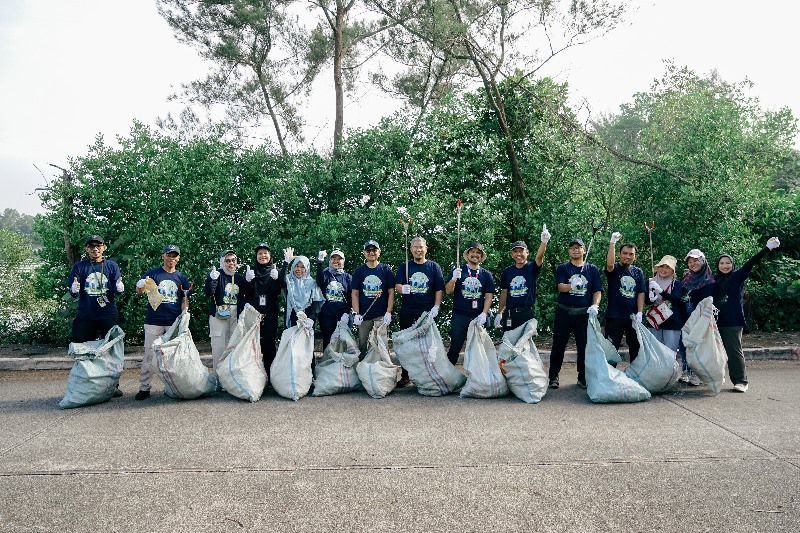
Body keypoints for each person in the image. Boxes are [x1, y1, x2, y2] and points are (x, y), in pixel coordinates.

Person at [713, 237, 781, 393]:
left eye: (728, 263)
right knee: (716, 352)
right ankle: (717, 377)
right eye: (722, 263)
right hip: (716, 321)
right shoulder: (715, 280)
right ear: (717, 265)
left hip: (733, 321)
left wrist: (767, 248)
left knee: (733, 351)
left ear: (733, 264)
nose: (725, 265)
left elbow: (751, 262)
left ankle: (740, 381)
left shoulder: (737, 276)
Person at [68, 234, 125, 397]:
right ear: (87, 249)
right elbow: (73, 291)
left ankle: (113, 386)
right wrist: (73, 289)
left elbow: (117, 288)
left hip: (108, 314)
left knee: (112, 352)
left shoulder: (112, 266)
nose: (95, 249)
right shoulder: (80, 267)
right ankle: (86, 385)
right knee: (85, 352)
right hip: (86, 315)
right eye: (91, 246)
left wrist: (120, 289)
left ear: (104, 247)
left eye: (98, 246)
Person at [133, 244, 191, 401]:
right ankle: (144, 388)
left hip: (173, 322)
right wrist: (139, 286)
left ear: (178, 258)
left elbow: (184, 298)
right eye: (168, 255)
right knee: (149, 355)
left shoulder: (181, 278)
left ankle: (175, 388)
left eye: (174, 255)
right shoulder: (153, 274)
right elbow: (140, 291)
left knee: (174, 357)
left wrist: (184, 313)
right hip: (154, 321)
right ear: (163, 256)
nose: (171, 258)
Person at [548, 237, 603, 389]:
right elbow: (560, 287)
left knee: (584, 346)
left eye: (578, 247)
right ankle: (553, 376)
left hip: (583, 313)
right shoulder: (563, 268)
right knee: (558, 345)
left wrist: (595, 305)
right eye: (572, 248)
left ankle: (583, 377)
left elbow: (597, 290)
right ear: (569, 251)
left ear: (584, 250)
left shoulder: (592, 269)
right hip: (564, 311)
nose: (575, 250)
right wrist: (571, 285)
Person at [395, 236, 445, 386]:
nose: (418, 250)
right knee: (406, 343)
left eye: (421, 247)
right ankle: (406, 376)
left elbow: (439, 288)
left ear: (426, 249)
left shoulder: (433, 267)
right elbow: (397, 285)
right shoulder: (404, 266)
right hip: (408, 311)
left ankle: (427, 376)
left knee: (428, 345)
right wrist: (402, 289)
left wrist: (436, 306)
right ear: (411, 249)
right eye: (415, 247)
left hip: (426, 313)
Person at [445, 242, 495, 365]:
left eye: (478, 253)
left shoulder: (486, 275)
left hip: (478, 316)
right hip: (460, 316)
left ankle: (477, 375)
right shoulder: (458, 271)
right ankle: (447, 374)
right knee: (455, 347)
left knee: (478, 349)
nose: (475, 255)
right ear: (467, 255)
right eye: (472, 252)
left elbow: (489, 296)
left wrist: (484, 313)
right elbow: (448, 291)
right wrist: (453, 279)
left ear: (481, 256)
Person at [494, 225, 550, 332]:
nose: (518, 254)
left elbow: (539, 257)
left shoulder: (532, 268)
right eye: (515, 251)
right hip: (510, 313)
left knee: (525, 341)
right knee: (508, 340)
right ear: (512, 254)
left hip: (526, 313)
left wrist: (544, 242)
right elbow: (504, 292)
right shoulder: (507, 271)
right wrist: (499, 313)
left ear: (527, 253)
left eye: (521, 251)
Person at [604, 233, 646, 362]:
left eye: (631, 254)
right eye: (625, 253)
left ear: (635, 256)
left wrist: (640, 312)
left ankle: (635, 372)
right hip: (615, 316)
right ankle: (609, 372)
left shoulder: (638, 272)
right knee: (611, 348)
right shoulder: (615, 269)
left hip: (632, 317)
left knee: (635, 348)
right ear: (619, 254)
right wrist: (612, 243)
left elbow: (641, 292)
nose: (627, 256)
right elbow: (609, 265)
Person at [351, 240, 395, 360]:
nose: (371, 253)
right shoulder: (359, 271)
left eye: (374, 250)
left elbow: (391, 292)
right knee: (362, 345)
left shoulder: (386, 270)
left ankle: (382, 369)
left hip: (381, 315)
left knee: (382, 346)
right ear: (364, 253)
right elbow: (355, 294)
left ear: (379, 252)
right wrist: (356, 313)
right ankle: (362, 368)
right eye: (368, 250)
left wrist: (388, 312)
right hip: (364, 316)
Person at [205, 249, 247, 374]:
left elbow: (243, 297)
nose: (231, 263)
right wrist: (210, 280)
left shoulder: (239, 278)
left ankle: (230, 376)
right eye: (228, 261)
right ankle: (218, 376)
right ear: (223, 262)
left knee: (234, 345)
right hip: (219, 314)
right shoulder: (217, 275)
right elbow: (208, 292)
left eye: (233, 260)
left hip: (234, 314)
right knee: (219, 346)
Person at [679, 248, 716, 385]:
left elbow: (708, 303)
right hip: (685, 317)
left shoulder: (708, 280)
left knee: (698, 346)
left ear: (703, 261)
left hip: (699, 319)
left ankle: (697, 374)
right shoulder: (686, 278)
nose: (692, 263)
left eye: (695, 260)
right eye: (690, 261)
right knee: (684, 344)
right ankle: (686, 371)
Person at [245, 243, 281, 373]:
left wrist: (278, 279)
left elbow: (278, 292)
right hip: (254, 314)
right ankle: (256, 374)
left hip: (270, 314)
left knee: (269, 345)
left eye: (265, 253)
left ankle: (270, 374)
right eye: (259, 253)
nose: (262, 256)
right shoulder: (251, 271)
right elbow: (245, 293)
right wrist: (247, 281)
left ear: (270, 255)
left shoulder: (275, 271)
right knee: (254, 345)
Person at [644, 255, 684, 354]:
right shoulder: (650, 282)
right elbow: (646, 301)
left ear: (672, 271)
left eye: (668, 267)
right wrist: (650, 298)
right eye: (662, 266)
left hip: (672, 323)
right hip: (654, 321)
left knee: (670, 353)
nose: (664, 270)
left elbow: (676, 300)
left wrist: (661, 291)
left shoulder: (676, 284)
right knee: (654, 352)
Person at [316, 249, 353, 351]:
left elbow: (352, 297)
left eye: (339, 259)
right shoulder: (325, 274)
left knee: (344, 344)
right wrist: (319, 262)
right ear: (330, 261)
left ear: (343, 261)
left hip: (343, 316)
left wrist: (346, 313)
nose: (336, 261)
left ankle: (343, 362)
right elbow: (319, 281)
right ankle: (327, 361)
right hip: (327, 317)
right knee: (328, 343)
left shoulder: (348, 277)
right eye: (333, 259)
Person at [279, 250, 324, 330]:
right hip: (291, 317)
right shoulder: (289, 280)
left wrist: (311, 318)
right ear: (293, 267)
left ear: (307, 269)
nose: (299, 269)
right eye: (297, 266)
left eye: (302, 267)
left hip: (307, 320)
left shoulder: (312, 283)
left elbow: (315, 302)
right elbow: (282, 282)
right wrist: (286, 263)